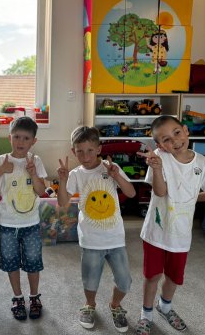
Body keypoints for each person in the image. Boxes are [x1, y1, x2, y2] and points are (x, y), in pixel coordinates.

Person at [135, 116, 205, 335]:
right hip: (156, 233)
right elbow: (160, 192)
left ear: (185, 130)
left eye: (176, 133)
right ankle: (146, 314)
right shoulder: (159, 159)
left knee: (174, 277)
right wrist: (156, 168)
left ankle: (165, 307)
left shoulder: (203, 164)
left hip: (181, 235)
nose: (174, 141)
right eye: (166, 139)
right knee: (152, 276)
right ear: (159, 145)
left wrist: (191, 198)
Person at [57, 126, 136, 333]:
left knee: (125, 281)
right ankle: (89, 305)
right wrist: (63, 180)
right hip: (91, 240)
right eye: (80, 151)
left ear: (99, 149)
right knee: (90, 280)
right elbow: (63, 203)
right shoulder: (75, 174)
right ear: (73, 151)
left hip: (115, 239)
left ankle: (115, 305)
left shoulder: (111, 168)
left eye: (90, 150)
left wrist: (117, 176)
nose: (85, 156)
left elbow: (131, 193)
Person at [0, 116, 47, 321]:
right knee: (11, 262)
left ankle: (34, 297)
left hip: (31, 224)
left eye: (26, 138)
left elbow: (41, 191)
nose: (20, 142)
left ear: (33, 141)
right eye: (16, 137)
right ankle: (18, 298)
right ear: (10, 138)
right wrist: (1, 170)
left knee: (33, 262)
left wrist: (34, 174)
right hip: (7, 224)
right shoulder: (0, 160)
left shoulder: (35, 161)